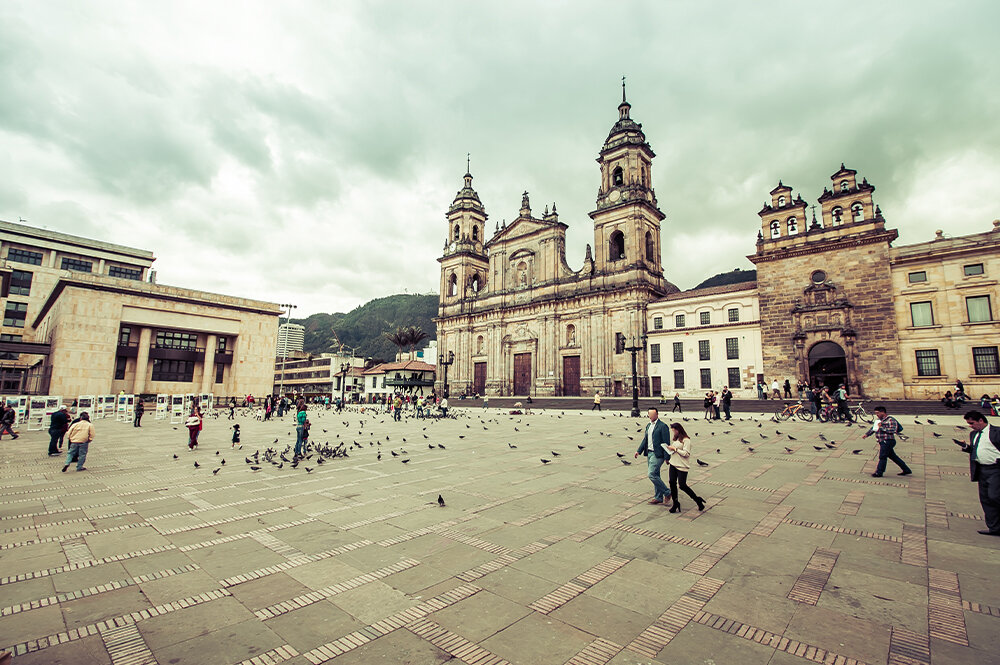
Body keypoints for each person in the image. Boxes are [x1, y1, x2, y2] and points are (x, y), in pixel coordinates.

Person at [960, 410, 1000, 535]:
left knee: (995, 496)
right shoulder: (973, 434)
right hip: (981, 470)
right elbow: (977, 449)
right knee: (986, 499)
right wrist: (967, 448)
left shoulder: (996, 432)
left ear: (981, 420)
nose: (970, 426)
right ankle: (994, 528)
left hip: (995, 469)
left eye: (972, 423)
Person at [665, 423, 706, 512]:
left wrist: (675, 449)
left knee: (682, 485)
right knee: (672, 483)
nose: (673, 433)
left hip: (682, 466)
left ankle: (697, 500)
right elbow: (675, 450)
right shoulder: (676, 440)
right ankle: (675, 503)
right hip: (673, 464)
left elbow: (686, 454)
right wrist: (668, 452)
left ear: (678, 430)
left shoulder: (686, 440)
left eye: (674, 431)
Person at [634, 407, 671, 505]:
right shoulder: (648, 425)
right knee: (656, 474)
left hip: (658, 454)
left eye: (652, 414)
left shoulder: (663, 426)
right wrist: (639, 451)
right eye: (649, 414)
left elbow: (666, 442)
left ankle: (667, 492)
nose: (650, 416)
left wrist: (667, 457)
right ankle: (658, 497)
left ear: (657, 415)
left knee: (651, 474)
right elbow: (645, 439)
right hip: (649, 453)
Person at [861, 406, 911, 477]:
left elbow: (892, 430)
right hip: (882, 441)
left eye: (878, 413)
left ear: (883, 412)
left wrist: (881, 427)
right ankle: (906, 469)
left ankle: (879, 472)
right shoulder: (879, 420)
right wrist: (867, 434)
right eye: (875, 413)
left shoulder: (890, 420)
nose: (876, 415)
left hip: (888, 441)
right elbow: (873, 428)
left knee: (882, 456)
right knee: (893, 457)